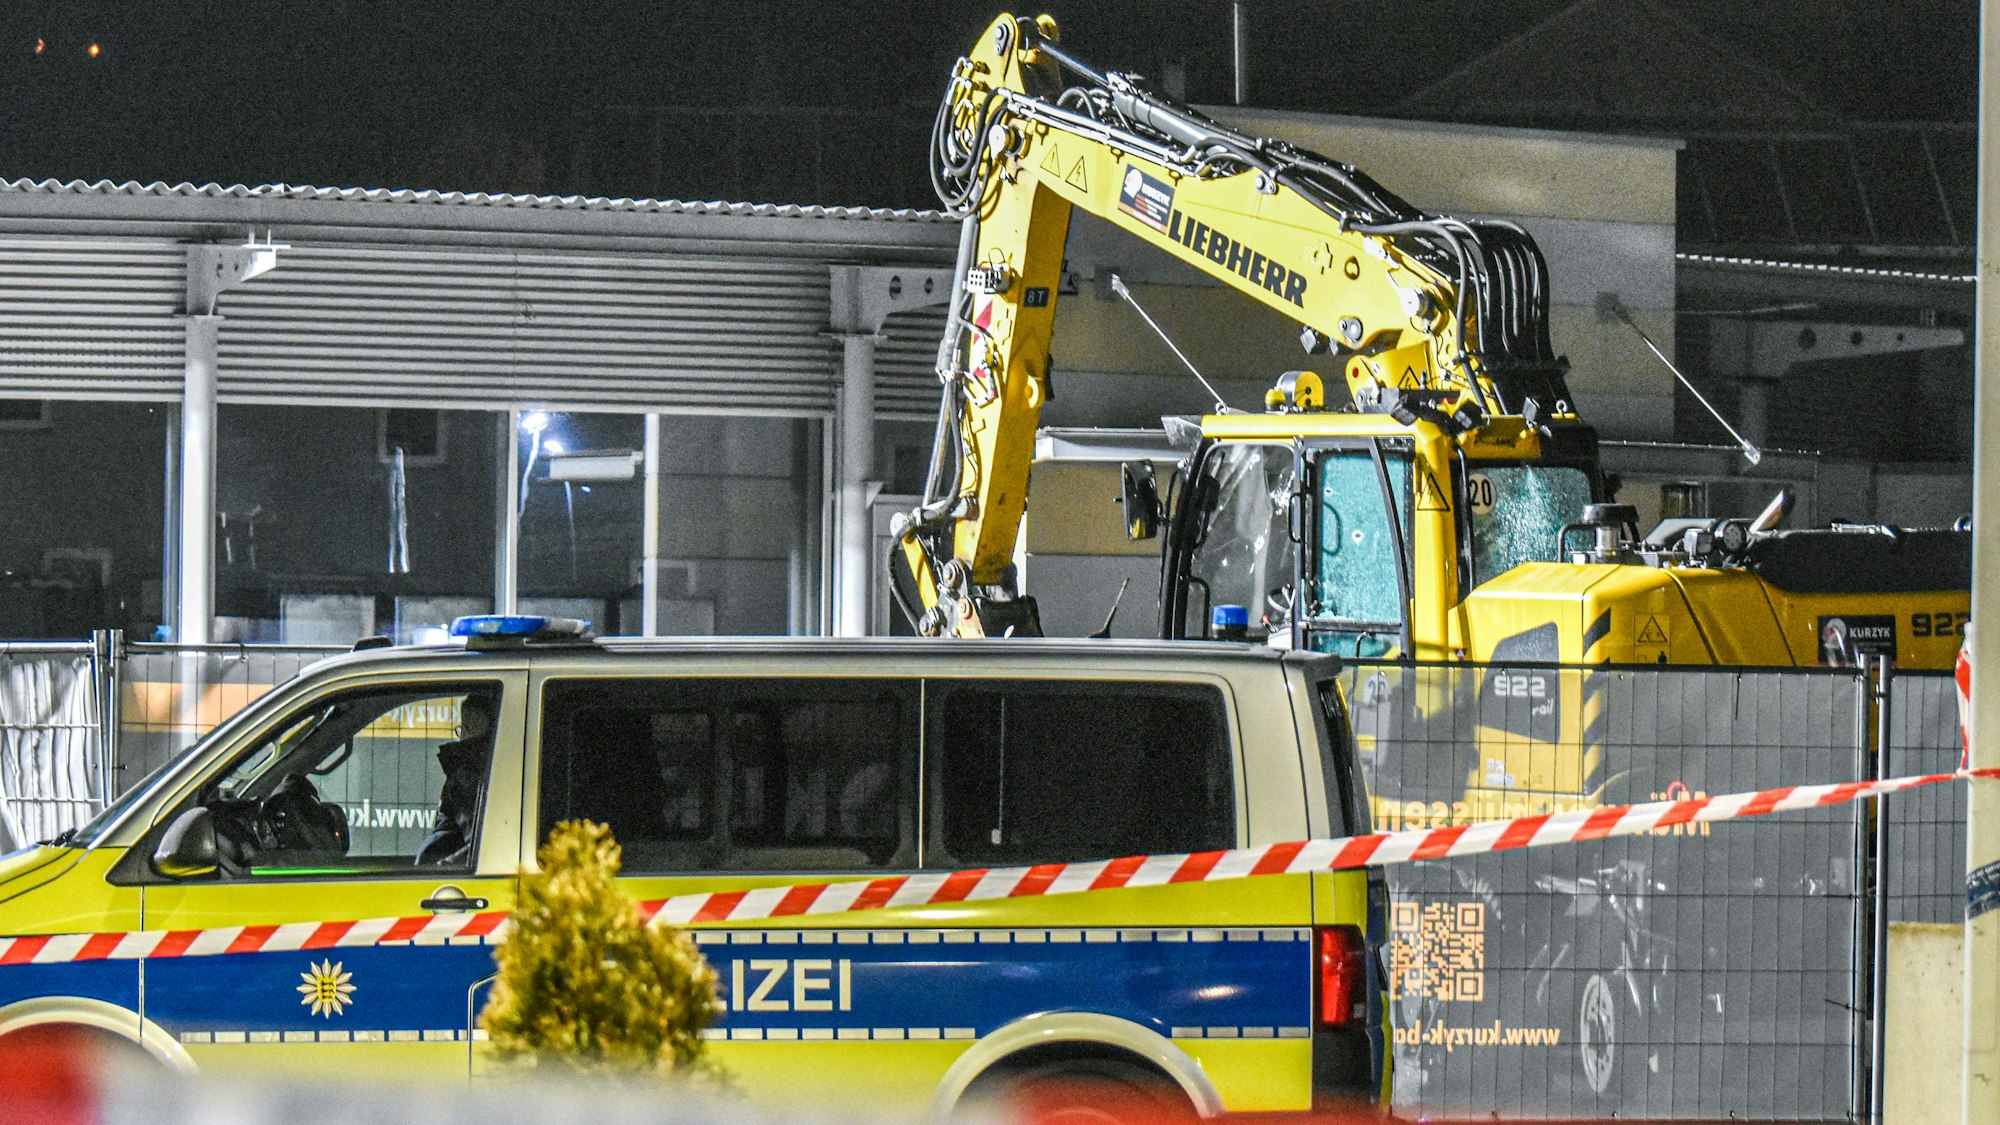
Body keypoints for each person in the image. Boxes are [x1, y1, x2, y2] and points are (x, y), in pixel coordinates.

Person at [416, 693, 496, 867]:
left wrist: (443, 867)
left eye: (462, 729)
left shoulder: (468, 774)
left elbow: (478, 848)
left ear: (468, 731)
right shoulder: (491, 770)